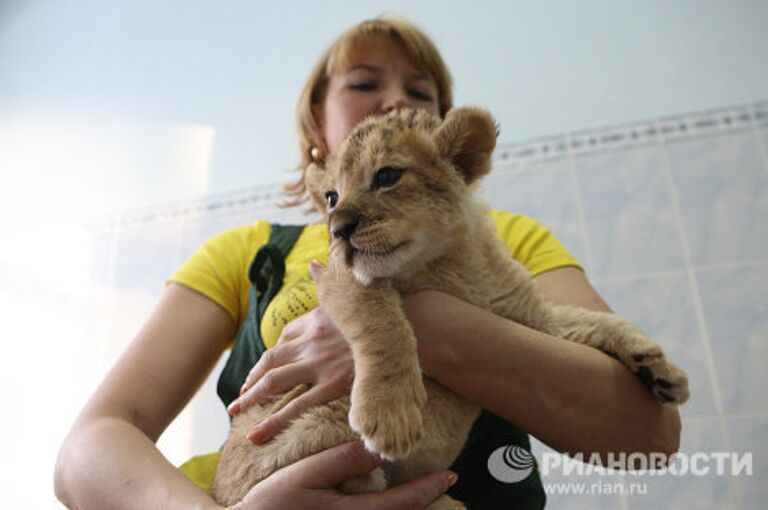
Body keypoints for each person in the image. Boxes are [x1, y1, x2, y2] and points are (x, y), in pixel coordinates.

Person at [54, 16, 681, 510]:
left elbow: (648, 439)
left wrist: (428, 330)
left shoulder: (512, 240)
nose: (391, 103)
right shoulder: (250, 250)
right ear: (316, 130)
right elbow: (87, 448)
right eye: (363, 84)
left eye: (419, 93)